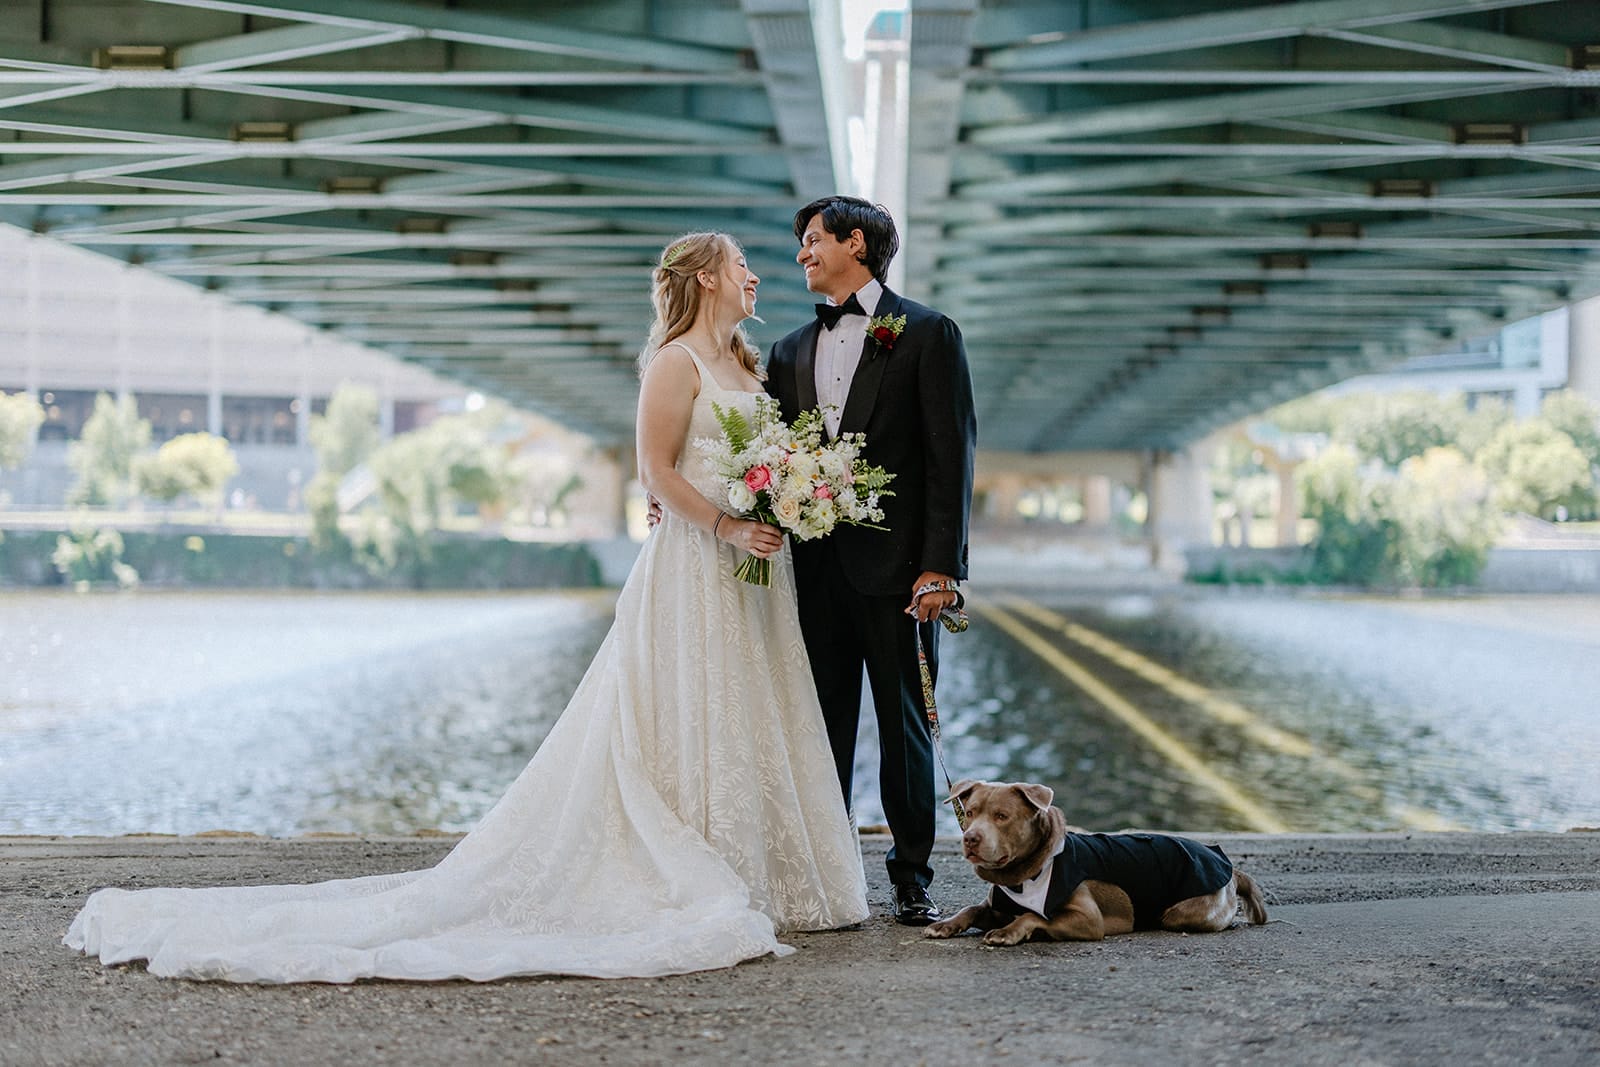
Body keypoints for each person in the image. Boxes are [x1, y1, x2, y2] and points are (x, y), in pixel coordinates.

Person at [62, 232, 869, 983]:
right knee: (687, 708)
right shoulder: (675, 362)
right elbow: (656, 473)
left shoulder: (746, 359)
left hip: (754, 572)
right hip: (697, 563)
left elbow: (757, 457)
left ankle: (770, 872)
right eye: (740, 266)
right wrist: (727, 522)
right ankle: (694, 865)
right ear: (705, 278)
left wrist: (784, 501)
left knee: (746, 709)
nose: (756, 275)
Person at [765, 196, 977, 926]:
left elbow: (951, 458)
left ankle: (912, 877)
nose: (802, 255)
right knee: (818, 728)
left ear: (856, 243)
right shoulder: (788, 349)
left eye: (813, 241)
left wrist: (941, 568)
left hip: (900, 579)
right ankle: (828, 872)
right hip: (813, 573)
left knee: (906, 728)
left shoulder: (927, 333)